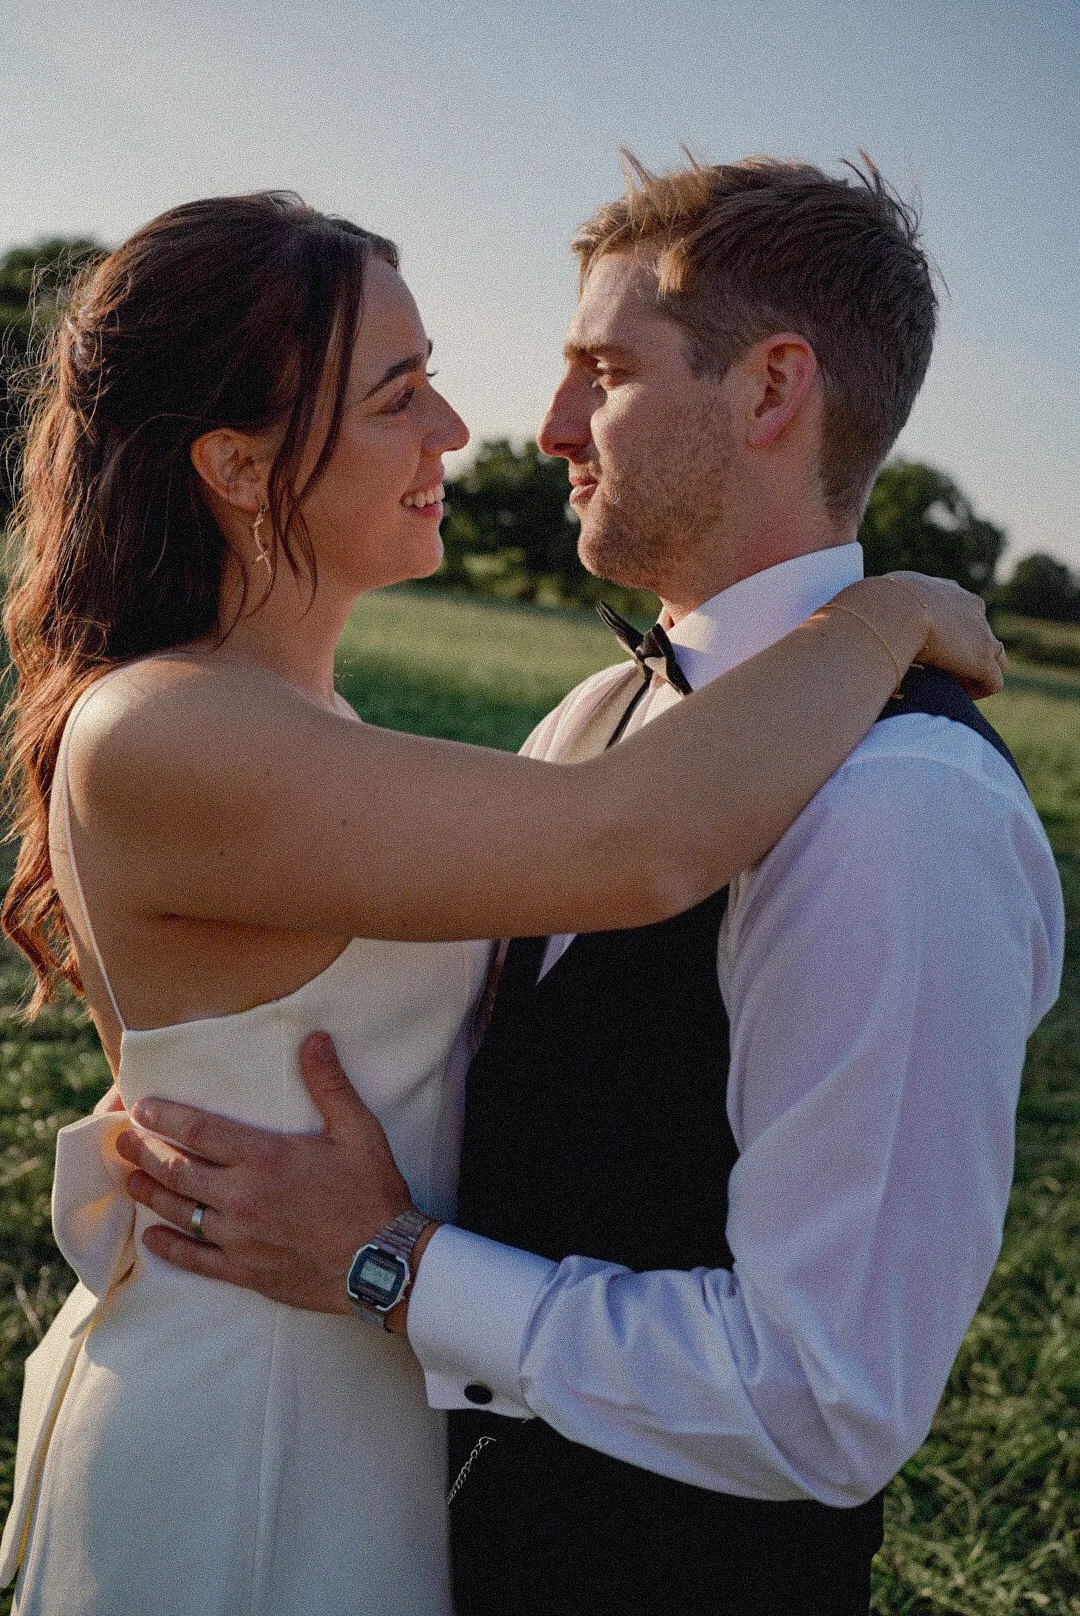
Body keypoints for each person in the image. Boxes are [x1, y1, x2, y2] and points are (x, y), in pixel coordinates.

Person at [0, 188, 1000, 1616]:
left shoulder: (887, 801)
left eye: (602, 372)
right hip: (257, 1420)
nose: (479, 432)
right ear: (235, 463)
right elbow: (630, 841)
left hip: (380, 1418)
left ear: (776, 386)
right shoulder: (169, 730)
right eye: (400, 393)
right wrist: (883, 612)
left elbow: (826, 1389)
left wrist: (395, 1267)